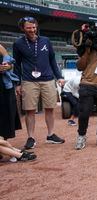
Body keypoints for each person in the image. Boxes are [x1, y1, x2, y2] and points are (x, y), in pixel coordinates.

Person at [13, 16, 65, 149]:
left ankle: (50, 134)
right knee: (29, 110)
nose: (32, 30)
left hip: (48, 79)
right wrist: (17, 83)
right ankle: (31, 137)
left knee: (50, 108)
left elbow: (53, 60)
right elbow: (17, 65)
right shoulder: (18, 43)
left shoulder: (46, 41)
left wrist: (59, 76)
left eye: (34, 27)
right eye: (29, 28)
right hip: (29, 81)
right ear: (22, 28)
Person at [0, 44, 22, 141]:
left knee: (6, 114)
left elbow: (10, 64)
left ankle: (5, 147)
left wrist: (7, 66)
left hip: (4, 86)